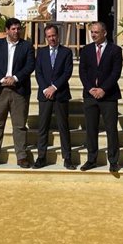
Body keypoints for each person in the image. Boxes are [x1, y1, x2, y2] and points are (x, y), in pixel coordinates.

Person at [0, 17, 35, 169]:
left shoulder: (27, 46)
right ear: (6, 31)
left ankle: (22, 156)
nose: (16, 31)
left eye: (18, 29)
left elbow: (30, 65)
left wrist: (15, 78)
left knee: (19, 125)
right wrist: (3, 78)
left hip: (19, 91)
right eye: (13, 29)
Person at [78, 21, 123, 173]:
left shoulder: (115, 50)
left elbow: (115, 73)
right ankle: (91, 160)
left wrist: (103, 89)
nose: (93, 35)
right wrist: (90, 88)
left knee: (111, 129)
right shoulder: (86, 50)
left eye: (96, 32)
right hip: (90, 96)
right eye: (92, 32)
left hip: (108, 95)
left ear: (105, 33)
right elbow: (82, 72)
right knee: (91, 129)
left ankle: (113, 161)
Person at [33, 24, 75, 170]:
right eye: (49, 36)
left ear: (58, 36)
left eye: (54, 35)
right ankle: (41, 157)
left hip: (60, 94)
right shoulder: (41, 52)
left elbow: (67, 72)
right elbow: (38, 72)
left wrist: (54, 87)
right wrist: (46, 88)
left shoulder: (66, 52)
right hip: (45, 95)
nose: (52, 38)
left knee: (63, 127)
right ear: (46, 38)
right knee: (43, 127)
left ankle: (67, 157)